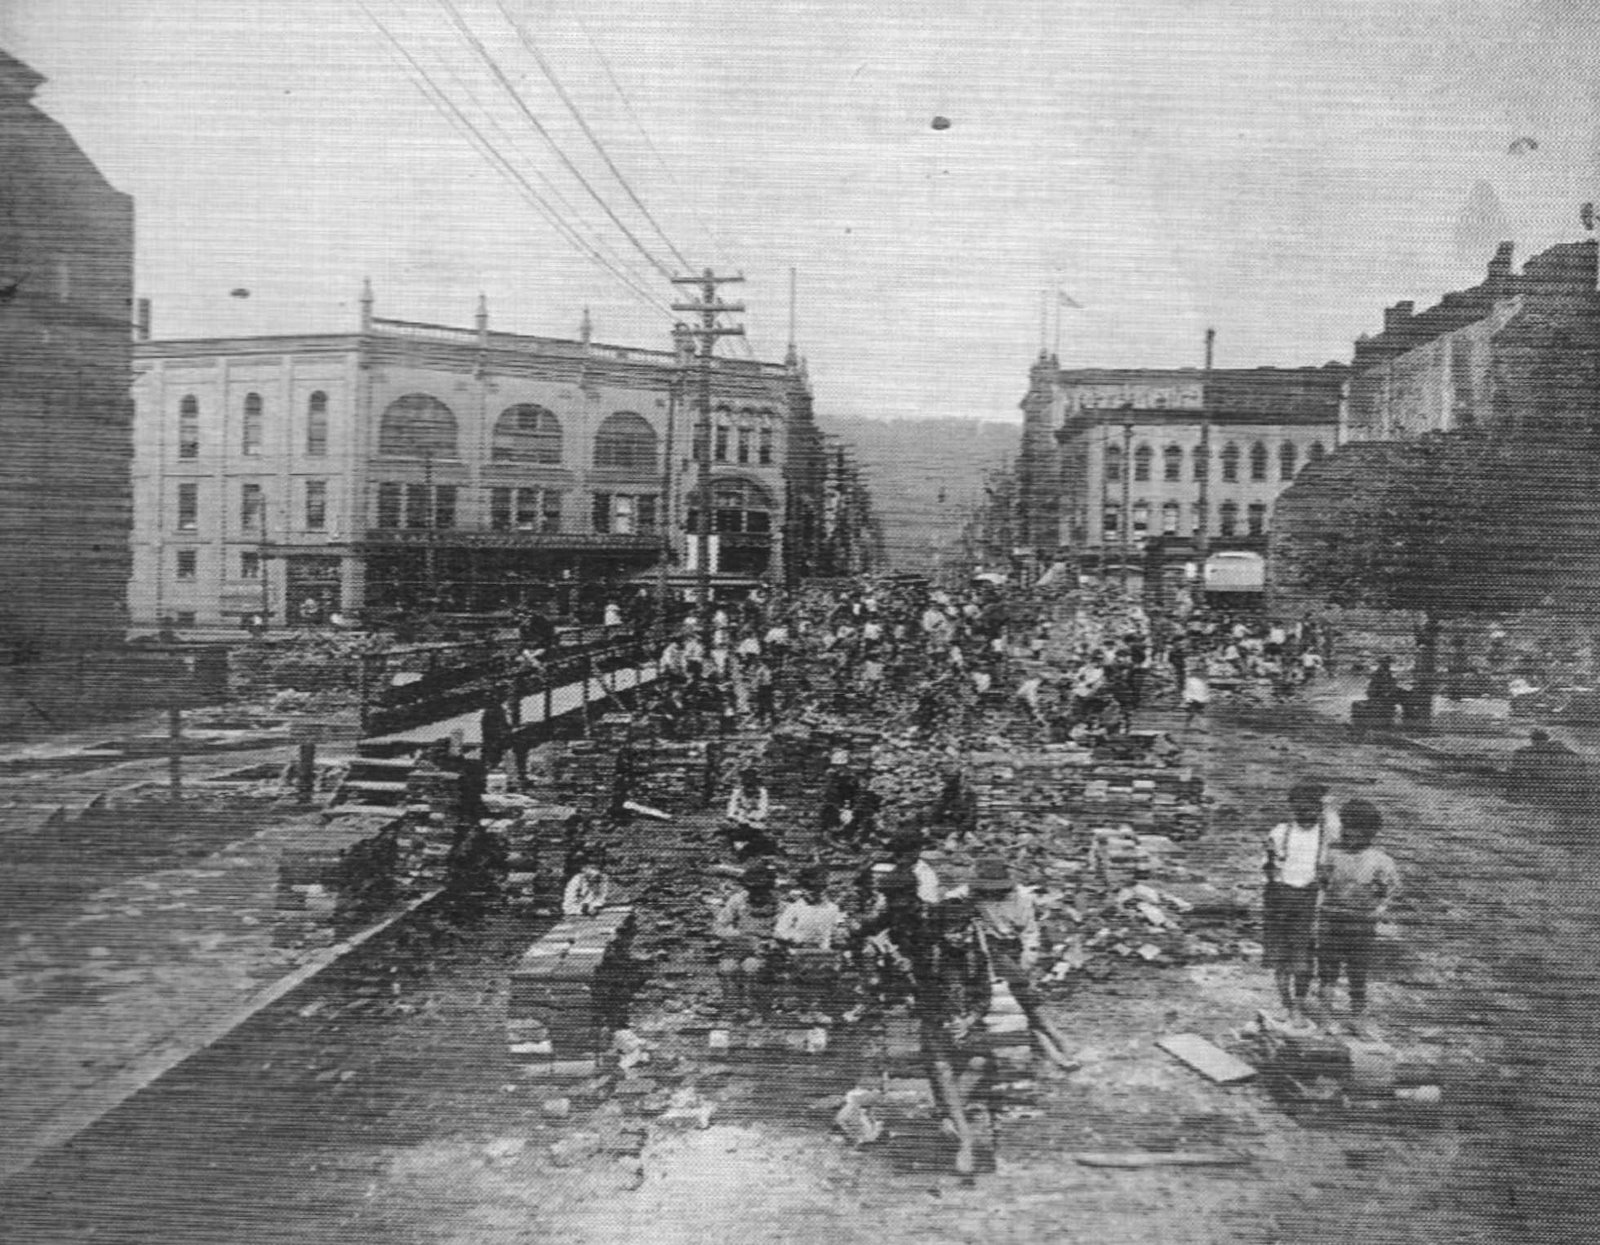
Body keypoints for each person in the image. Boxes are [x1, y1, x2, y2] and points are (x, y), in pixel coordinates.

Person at [967, 856, 1075, 1068]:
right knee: (1018, 999)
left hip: (1014, 948)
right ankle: (1052, 1044)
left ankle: (1052, 1040)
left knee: (1024, 996)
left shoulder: (1021, 897)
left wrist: (1028, 955)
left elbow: (1029, 931)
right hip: (985, 950)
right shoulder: (970, 896)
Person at [1316, 799, 1400, 1034]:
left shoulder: (1381, 860)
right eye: (1347, 831)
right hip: (1332, 921)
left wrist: (1378, 911)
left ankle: (1357, 1018)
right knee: (1327, 974)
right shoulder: (1332, 855)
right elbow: (1321, 885)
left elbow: (1388, 892)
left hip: (1362, 925)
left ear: (1371, 833)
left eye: (1358, 834)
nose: (1350, 838)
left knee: (1358, 974)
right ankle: (1324, 1018)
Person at [1263, 781, 1336, 1028]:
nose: (1306, 814)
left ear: (1319, 809)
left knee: (1303, 959)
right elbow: (1269, 865)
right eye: (1300, 809)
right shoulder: (1281, 832)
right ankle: (1285, 1003)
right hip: (1280, 898)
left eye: (1312, 809)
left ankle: (1299, 1004)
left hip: (1309, 899)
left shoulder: (1326, 834)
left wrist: (1326, 803)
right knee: (1279, 956)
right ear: (1292, 808)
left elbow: (1334, 820)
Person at [775, 864, 849, 1018]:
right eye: (810, 888)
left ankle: (819, 1007)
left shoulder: (832, 908)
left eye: (818, 888)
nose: (814, 892)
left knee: (829, 970)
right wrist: (796, 938)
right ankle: (801, 1007)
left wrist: (841, 933)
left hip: (825, 952)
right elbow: (779, 931)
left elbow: (840, 927)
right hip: (799, 951)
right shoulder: (794, 908)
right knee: (804, 970)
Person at [713, 862, 781, 1017]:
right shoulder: (738, 900)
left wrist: (771, 943)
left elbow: (783, 932)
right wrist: (737, 936)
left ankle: (752, 1007)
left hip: (764, 949)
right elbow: (719, 926)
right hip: (739, 945)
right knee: (725, 968)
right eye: (752, 889)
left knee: (751, 967)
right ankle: (731, 1005)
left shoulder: (778, 904)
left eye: (761, 888)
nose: (756, 892)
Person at [724, 767, 776, 858]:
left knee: (758, 833)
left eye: (750, 777)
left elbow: (763, 808)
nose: (748, 780)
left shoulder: (762, 792)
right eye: (746, 777)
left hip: (754, 820)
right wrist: (732, 817)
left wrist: (754, 817)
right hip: (739, 819)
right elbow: (732, 806)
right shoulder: (737, 792)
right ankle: (734, 849)